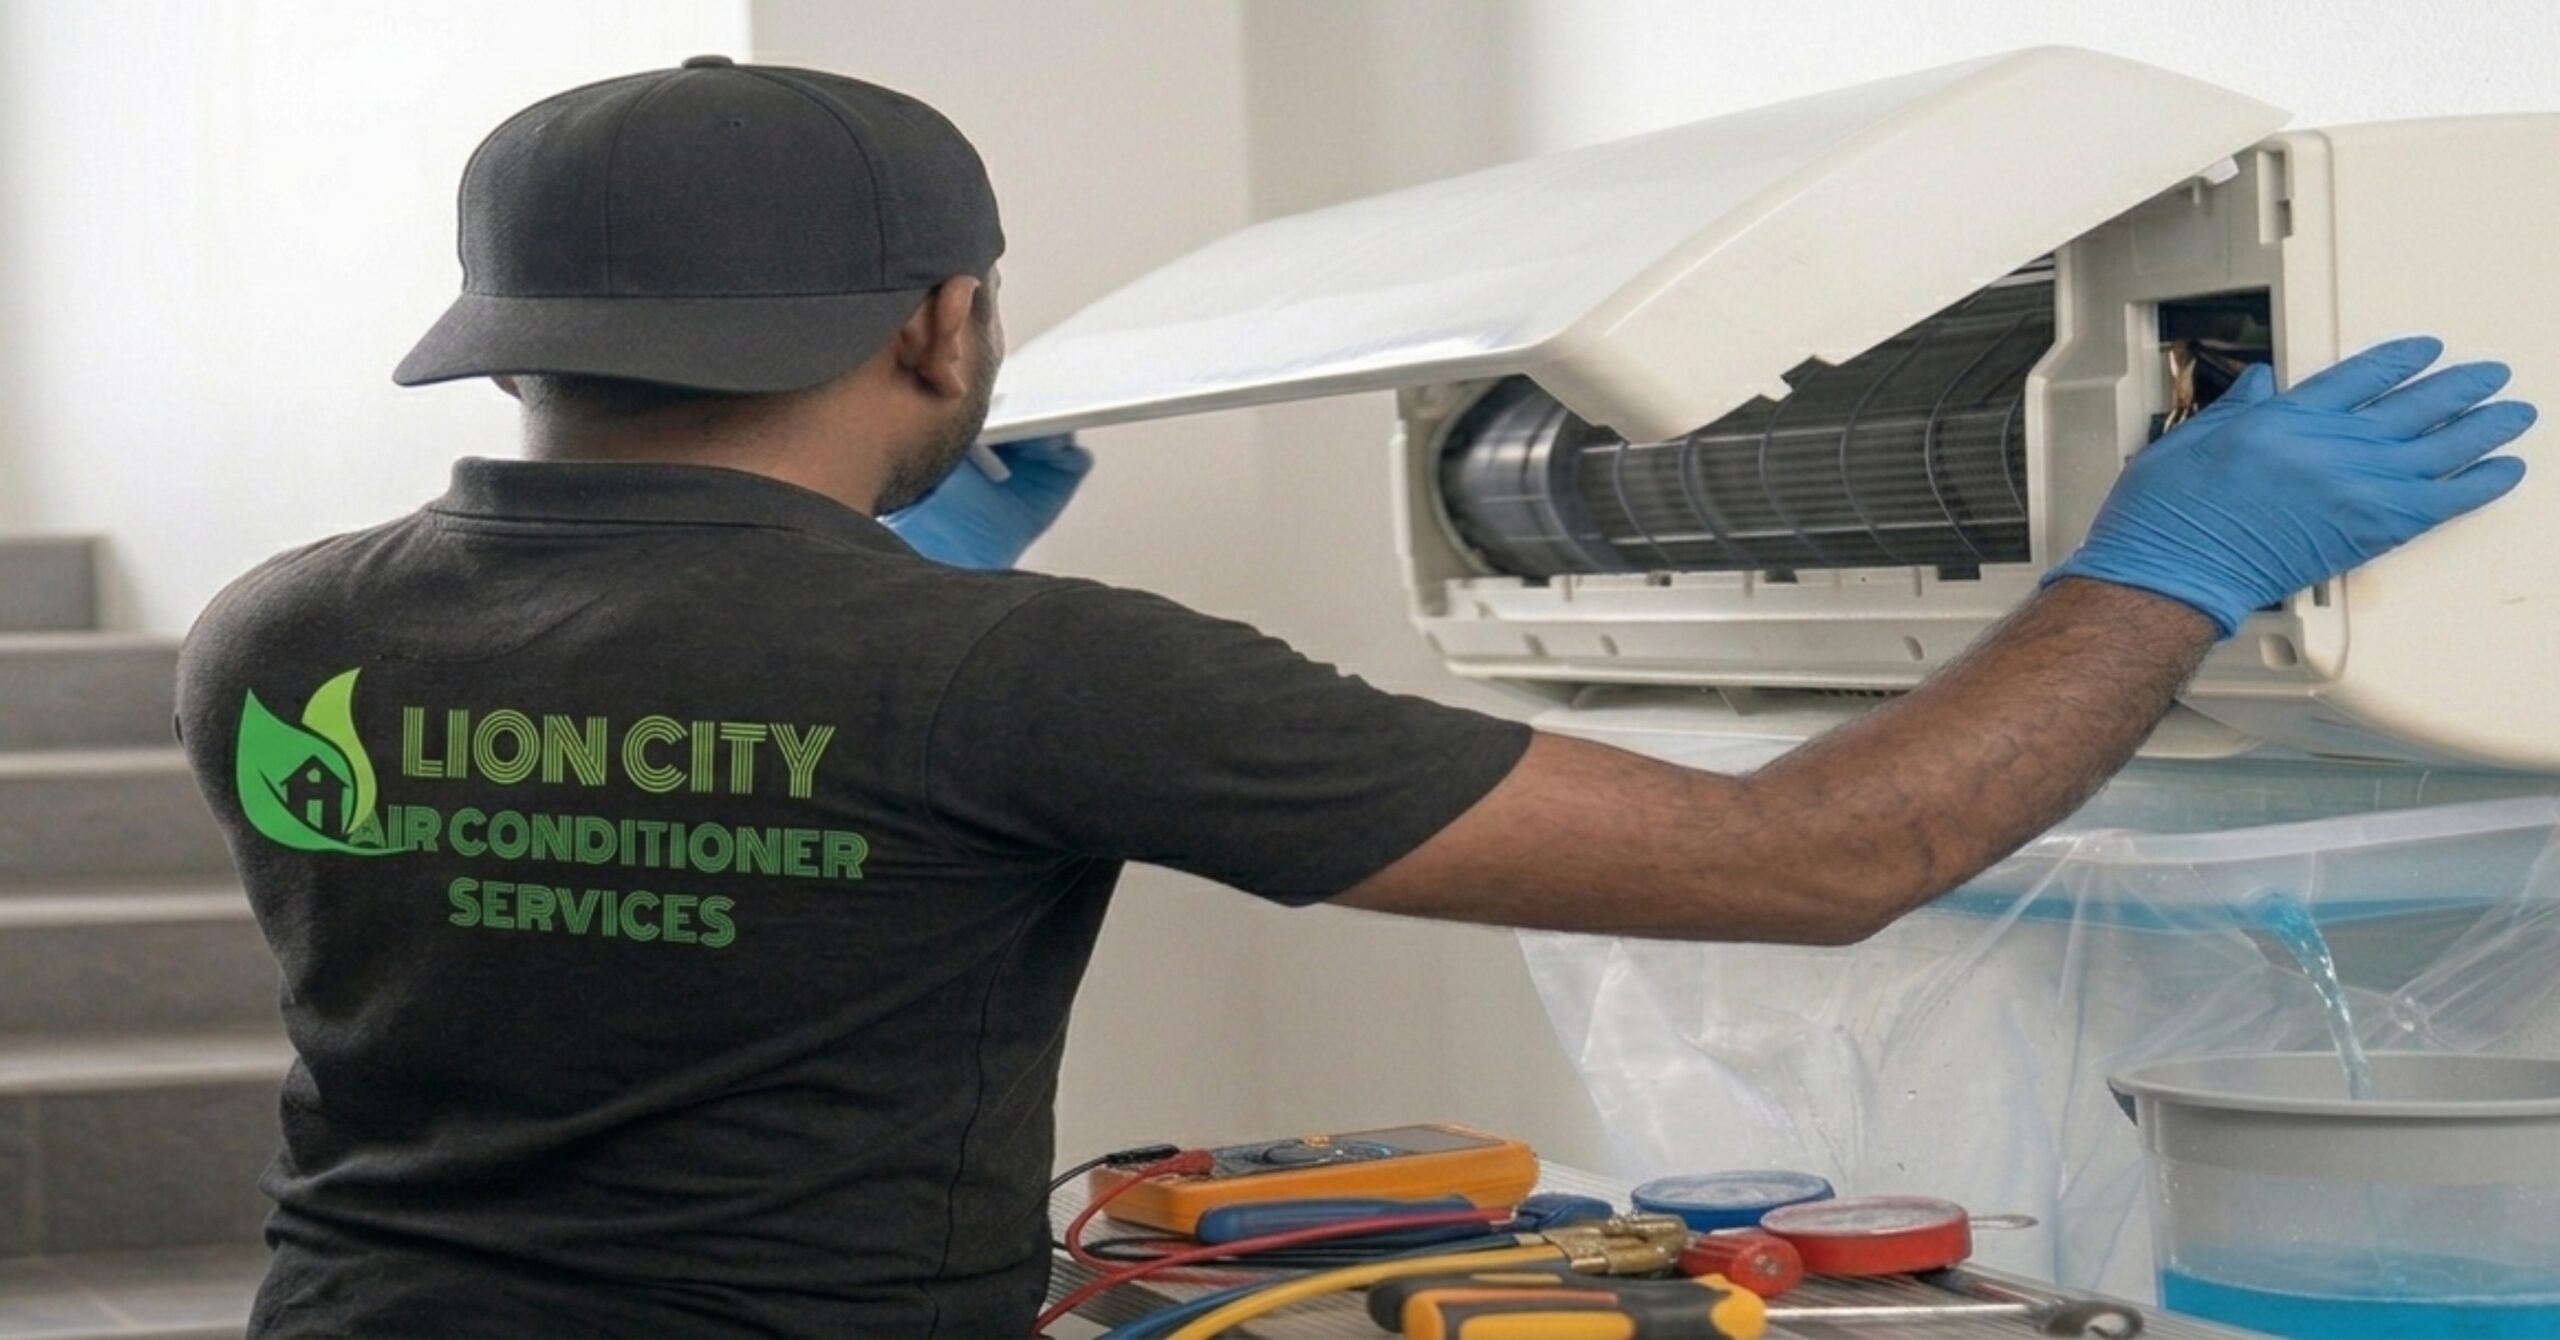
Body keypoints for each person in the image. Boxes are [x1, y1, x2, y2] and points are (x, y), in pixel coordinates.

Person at [174, 57, 2536, 1339]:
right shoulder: (1010, 672)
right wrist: (2171, 560)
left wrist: (866, 582)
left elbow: (608, 791)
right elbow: (1815, 862)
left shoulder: (280, 630)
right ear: (940, 330)